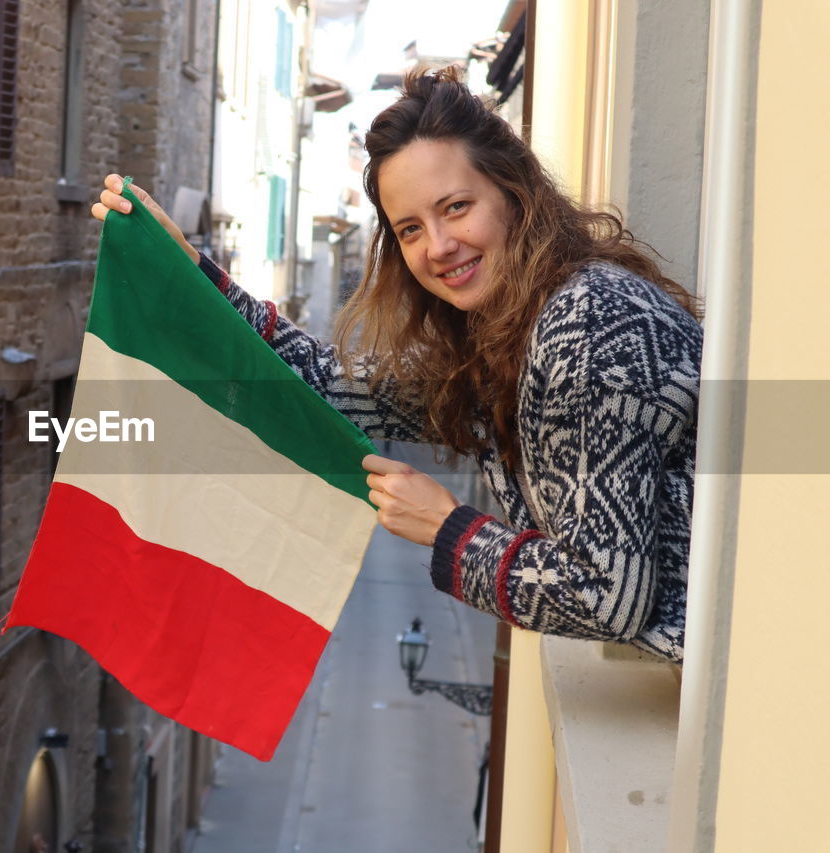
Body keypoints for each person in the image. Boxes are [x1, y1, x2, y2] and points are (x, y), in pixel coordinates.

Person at [91, 66, 702, 663]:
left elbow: (604, 598)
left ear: (515, 192)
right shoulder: (510, 333)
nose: (437, 246)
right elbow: (333, 386)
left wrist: (448, 527)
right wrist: (193, 279)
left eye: (457, 207)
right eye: (410, 229)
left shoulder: (587, 322)